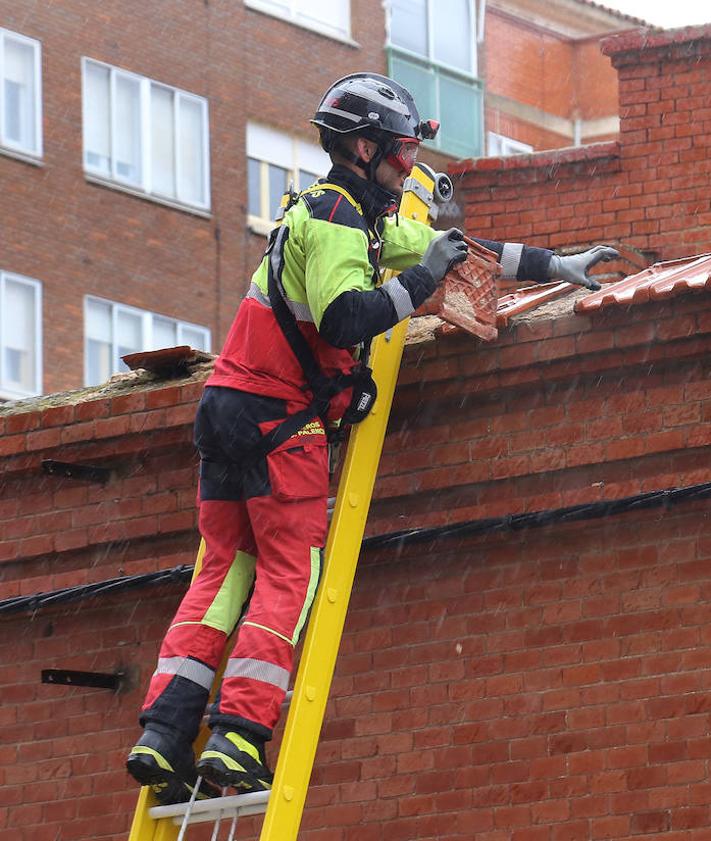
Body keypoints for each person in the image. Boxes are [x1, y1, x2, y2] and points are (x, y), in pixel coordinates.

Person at [126, 72, 617, 804]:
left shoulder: (347, 215)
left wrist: (556, 264)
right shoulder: (334, 221)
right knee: (290, 572)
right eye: (401, 150)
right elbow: (342, 318)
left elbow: (456, 247)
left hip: (229, 410)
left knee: (223, 573)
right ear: (363, 146)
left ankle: (164, 731)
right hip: (274, 420)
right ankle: (235, 737)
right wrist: (418, 284)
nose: (410, 164)